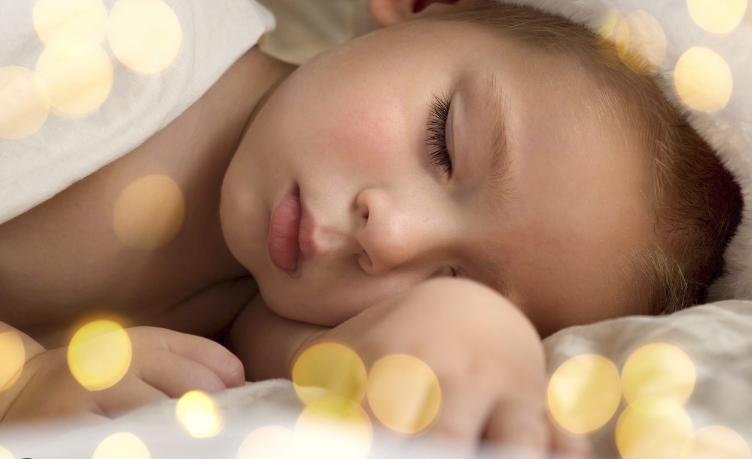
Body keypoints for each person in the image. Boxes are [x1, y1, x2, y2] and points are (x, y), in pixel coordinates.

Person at [0, 0, 742, 456]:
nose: (389, 238)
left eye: (454, 273)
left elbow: (372, 359)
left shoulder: (260, 325)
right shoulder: (102, 32)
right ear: (424, 4)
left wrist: (476, 332)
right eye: (442, 144)